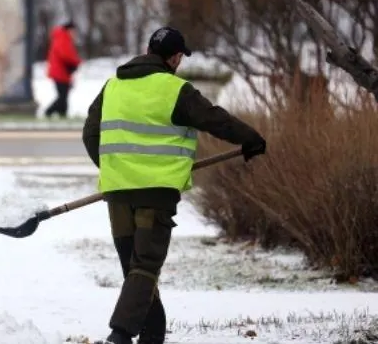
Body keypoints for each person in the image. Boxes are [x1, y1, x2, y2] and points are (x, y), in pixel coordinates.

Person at [81, 27, 267, 344]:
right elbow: (215, 119)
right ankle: (121, 334)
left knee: (136, 269)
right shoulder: (175, 90)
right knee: (145, 266)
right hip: (155, 194)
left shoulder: (112, 86)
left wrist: (115, 169)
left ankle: (152, 335)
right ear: (176, 57)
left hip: (117, 193)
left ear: (147, 50)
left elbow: (90, 134)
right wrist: (251, 139)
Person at [45, 19, 81, 118]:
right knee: (62, 96)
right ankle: (48, 112)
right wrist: (75, 62)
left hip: (62, 72)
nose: (74, 34)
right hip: (60, 72)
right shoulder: (63, 38)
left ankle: (62, 114)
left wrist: (76, 62)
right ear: (69, 30)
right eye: (73, 31)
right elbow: (65, 55)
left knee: (64, 96)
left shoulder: (63, 38)